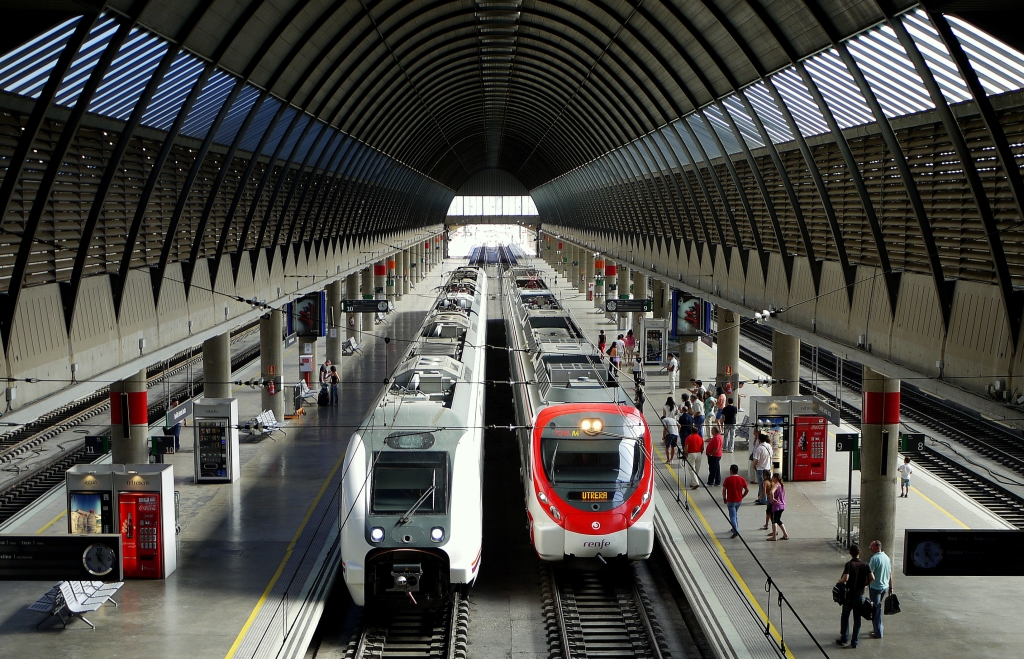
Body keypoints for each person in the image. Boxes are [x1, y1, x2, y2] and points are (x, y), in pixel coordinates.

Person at [837, 544, 875, 648]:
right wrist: (866, 583)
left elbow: (845, 578)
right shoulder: (865, 565)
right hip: (860, 596)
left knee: (845, 615)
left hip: (849, 596)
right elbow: (872, 577)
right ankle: (855, 641)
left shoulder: (849, 565)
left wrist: (839, 580)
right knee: (857, 618)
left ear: (850, 553)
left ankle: (844, 637)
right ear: (859, 553)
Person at [867, 540, 891, 638]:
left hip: (875, 588)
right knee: (878, 608)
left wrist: (865, 584)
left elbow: (870, 574)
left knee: (876, 610)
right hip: (885, 587)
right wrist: (891, 587)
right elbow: (890, 573)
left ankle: (878, 632)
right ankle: (878, 627)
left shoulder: (874, 559)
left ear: (878, 547)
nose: (870, 548)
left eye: (872, 546)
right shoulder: (887, 557)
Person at [722, 464, 749, 538]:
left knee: (732, 516)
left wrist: (724, 498)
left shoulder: (727, 479)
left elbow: (724, 490)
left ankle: (736, 530)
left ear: (731, 471)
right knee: (735, 514)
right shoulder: (742, 479)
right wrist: (742, 496)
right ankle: (734, 528)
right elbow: (747, 490)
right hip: (739, 501)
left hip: (730, 501)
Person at [767, 474, 789, 540]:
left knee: (774, 521)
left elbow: (771, 492)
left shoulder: (776, 485)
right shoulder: (781, 485)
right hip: (782, 505)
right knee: (778, 520)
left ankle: (774, 536)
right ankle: (785, 534)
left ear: (775, 478)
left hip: (776, 506)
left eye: (773, 477)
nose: (772, 478)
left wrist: (773, 498)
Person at [753, 435, 773, 504]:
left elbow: (757, 460)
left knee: (761, 485)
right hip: (768, 468)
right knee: (767, 484)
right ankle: (762, 498)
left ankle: (762, 500)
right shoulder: (769, 446)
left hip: (760, 469)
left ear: (759, 440)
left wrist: (754, 466)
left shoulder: (759, 448)